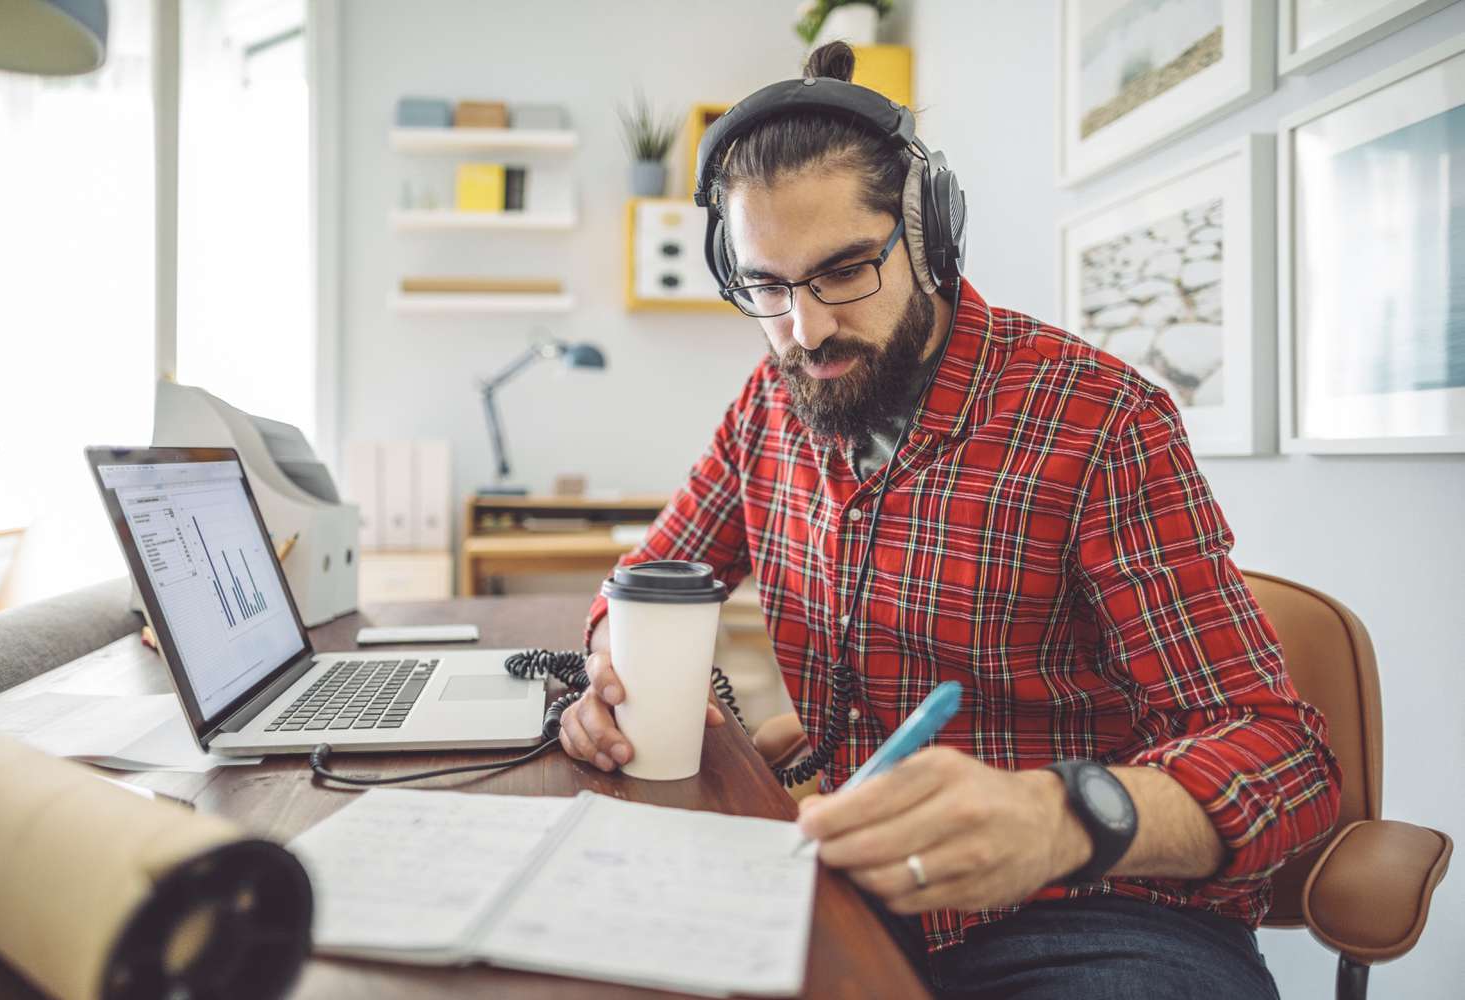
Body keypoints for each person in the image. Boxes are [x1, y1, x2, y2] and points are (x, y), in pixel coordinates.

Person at [559, 43, 1339, 999]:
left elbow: (1283, 755)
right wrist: (611, 662)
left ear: (930, 236)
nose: (803, 330)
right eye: (766, 286)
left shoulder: (1097, 420)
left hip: (1093, 915)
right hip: (857, 887)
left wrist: (1061, 818)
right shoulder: (771, 403)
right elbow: (650, 577)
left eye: (843, 270)